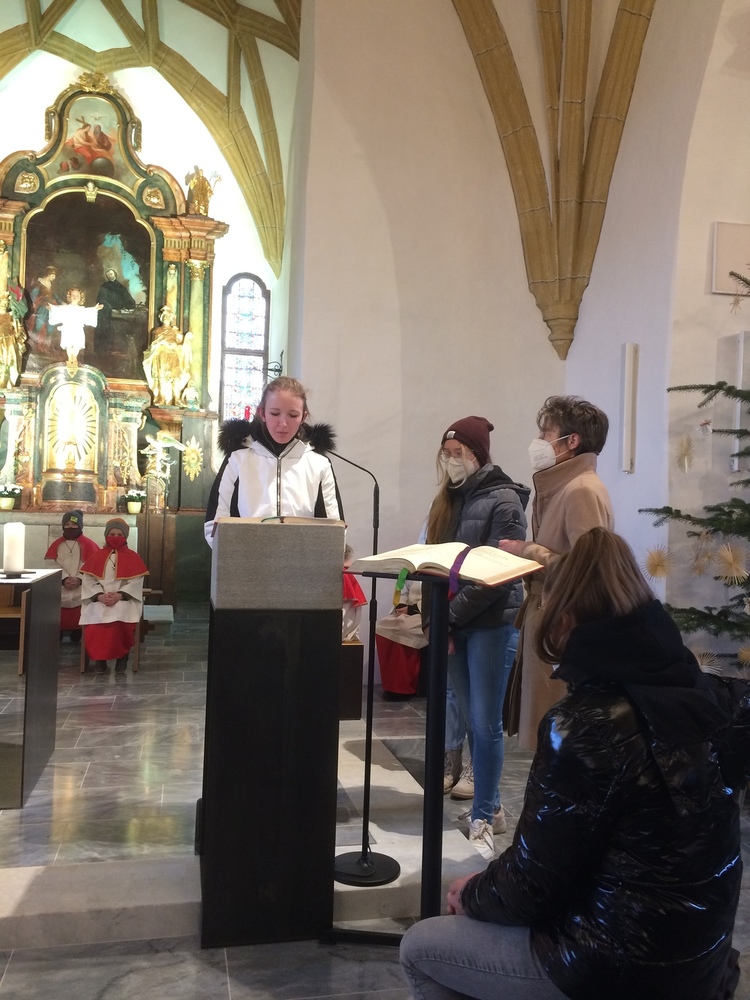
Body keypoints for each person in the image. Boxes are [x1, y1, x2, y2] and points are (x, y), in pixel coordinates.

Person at [400, 527, 749, 1000]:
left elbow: (533, 885)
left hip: (617, 966)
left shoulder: (585, 725)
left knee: (422, 946)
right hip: (702, 956)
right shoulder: (713, 695)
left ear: (565, 619)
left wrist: (474, 892)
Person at [426, 416, 529, 859]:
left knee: (486, 725)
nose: (452, 461)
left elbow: (499, 575)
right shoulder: (448, 500)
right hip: (455, 624)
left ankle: (483, 816)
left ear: (478, 454)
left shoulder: (505, 500)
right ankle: (495, 806)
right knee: (470, 719)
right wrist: (436, 620)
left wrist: (448, 618)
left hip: (491, 625)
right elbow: (434, 565)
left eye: (459, 453)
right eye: (446, 453)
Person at [499, 395, 613, 751]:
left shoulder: (581, 490)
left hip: (564, 624)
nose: (539, 442)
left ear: (571, 440)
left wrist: (528, 551)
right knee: (544, 737)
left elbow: (589, 570)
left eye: (546, 434)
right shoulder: (561, 487)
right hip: (548, 615)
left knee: (558, 738)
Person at [204, 375, 343, 545]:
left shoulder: (319, 465)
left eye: (293, 415)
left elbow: (334, 529)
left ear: (303, 417)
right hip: (246, 557)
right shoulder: (237, 460)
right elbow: (215, 526)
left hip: (303, 558)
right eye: (275, 413)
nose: (283, 423)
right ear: (262, 413)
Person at [79, 518, 148, 675]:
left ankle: (122, 657)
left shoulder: (133, 557)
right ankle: (100, 660)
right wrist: (99, 596)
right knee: (95, 621)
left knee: (121, 620)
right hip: (99, 599)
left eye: (119, 534)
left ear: (125, 536)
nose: (115, 537)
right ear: (106, 535)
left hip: (124, 600)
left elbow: (136, 582)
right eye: (112, 534)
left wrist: (119, 595)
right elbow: (88, 581)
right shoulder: (96, 556)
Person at [44, 510, 99, 640]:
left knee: (81, 606)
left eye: (74, 524)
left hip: (82, 586)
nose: (70, 527)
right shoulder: (56, 545)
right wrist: (64, 579)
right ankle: (58, 630)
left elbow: (94, 566)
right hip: (61, 586)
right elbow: (50, 564)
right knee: (57, 607)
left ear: (80, 526)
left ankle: (78, 630)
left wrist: (79, 579)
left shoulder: (90, 545)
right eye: (67, 524)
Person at [142, 305, 192, 406]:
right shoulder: (157, 331)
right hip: (161, 357)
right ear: (161, 318)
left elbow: (180, 346)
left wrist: (186, 340)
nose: (166, 318)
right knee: (161, 377)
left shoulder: (176, 332)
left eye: (168, 317)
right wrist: (163, 343)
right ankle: (161, 398)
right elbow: (154, 344)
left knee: (176, 378)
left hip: (173, 357)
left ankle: (177, 398)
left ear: (171, 318)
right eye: (164, 316)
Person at [48, 287, 103, 364]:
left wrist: (95, 308)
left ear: (80, 298)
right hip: (67, 329)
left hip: (78, 330)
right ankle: (70, 359)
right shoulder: (65, 308)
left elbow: (89, 312)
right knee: (68, 344)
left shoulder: (82, 309)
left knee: (77, 344)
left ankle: (74, 358)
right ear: (69, 297)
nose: (75, 297)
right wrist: (51, 308)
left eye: (77, 295)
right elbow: (57, 310)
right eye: (73, 295)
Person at [95, 268, 136, 350]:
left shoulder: (120, 286)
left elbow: (127, 298)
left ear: (115, 275)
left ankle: (120, 347)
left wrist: (129, 305)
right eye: (108, 275)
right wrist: (109, 308)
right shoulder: (104, 286)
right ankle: (106, 346)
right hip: (108, 310)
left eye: (111, 274)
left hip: (119, 310)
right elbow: (101, 299)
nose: (110, 276)